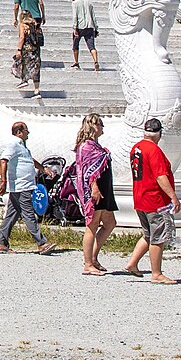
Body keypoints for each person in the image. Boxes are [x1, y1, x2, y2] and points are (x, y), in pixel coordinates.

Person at [124, 117, 178, 283]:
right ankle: (156, 273)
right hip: (155, 199)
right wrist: (173, 196)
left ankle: (132, 263)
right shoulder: (154, 150)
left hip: (140, 196)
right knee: (158, 236)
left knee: (147, 234)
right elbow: (160, 176)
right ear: (159, 133)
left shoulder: (136, 148)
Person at [0, 120, 54, 254]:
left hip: (24, 185)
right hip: (21, 186)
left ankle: (1, 243)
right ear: (19, 132)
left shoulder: (23, 147)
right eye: (26, 130)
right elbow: (3, 160)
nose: (28, 133)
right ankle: (41, 243)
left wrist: (43, 169)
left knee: (12, 214)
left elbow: (30, 161)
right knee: (28, 213)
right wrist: (3, 181)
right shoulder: (13, 144)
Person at [72, 113, 118, 276]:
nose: (102, 127)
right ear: (93, 126)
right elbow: (87, 171)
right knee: (92, 225)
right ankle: (88, 263)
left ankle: (93, 257)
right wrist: (94, 188)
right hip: (94, 190)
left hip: (104, 189)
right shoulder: (86, 146)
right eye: (100, 124)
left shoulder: (95, 145)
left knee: (110, 223)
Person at [70, 0, 101, 70]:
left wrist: (74, 28)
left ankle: (76, 62)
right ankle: (96, 61)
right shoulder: (89, 2)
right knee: (92, 47)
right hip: (90, 27)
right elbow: (93, 16)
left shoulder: (75, 3)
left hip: (80, 27)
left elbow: (75, 16)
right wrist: (96, 28)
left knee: (75, 45)